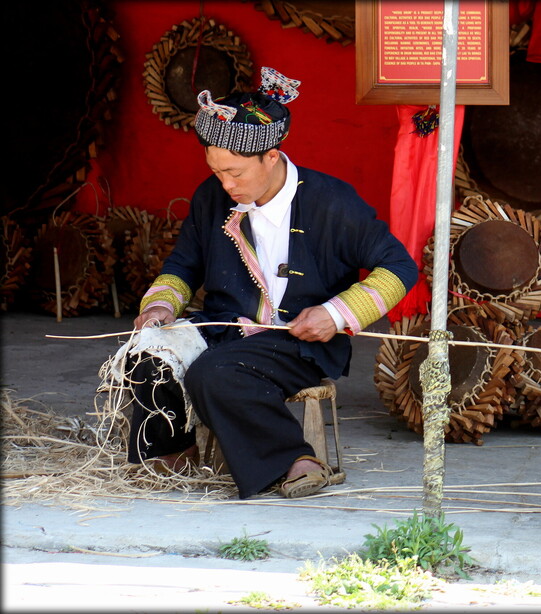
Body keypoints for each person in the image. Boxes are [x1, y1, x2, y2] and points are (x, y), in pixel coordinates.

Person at [124, 67, 417, 500]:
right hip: (226, 327)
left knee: (215, 375)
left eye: (236, 173)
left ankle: (296, 460)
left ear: (272, 157)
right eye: (217, 171)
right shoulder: (212, 196)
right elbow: (183, 265)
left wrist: (336, 315)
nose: (225, 183)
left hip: (299, 340)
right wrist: (161, 307)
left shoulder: (331, 202)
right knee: (147, 351)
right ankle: (175, 454)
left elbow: (399, 268)